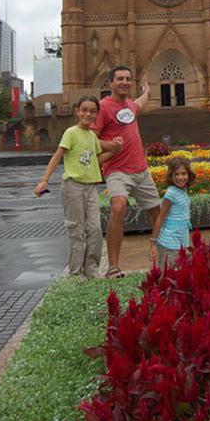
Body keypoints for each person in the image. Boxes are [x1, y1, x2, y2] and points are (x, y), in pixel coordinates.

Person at [34, 95, 114, 279]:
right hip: (73, 187)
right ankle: (76, 273)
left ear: (97, 114)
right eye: (84, 110)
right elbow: (57, 155)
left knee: (94, 229)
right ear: (77, 111)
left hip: (91, 187)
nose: (88, 114)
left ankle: (92, 269)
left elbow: (95, 159)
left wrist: (114, 151)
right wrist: (45, 180)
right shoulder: (71, 132)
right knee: (76, 230)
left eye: (92, 111)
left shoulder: (92, 136)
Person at [93, 65, 161, 279]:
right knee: (118, 207)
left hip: (141, 170)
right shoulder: (103, 107)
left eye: (127, 79)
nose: (124, 82)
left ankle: (168, 256)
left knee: (158, 213)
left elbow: (140, 102)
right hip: (117, 170)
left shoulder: (131, 105)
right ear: (110, 83)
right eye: (120, 78)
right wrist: (110, 145)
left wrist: (147, 92)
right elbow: (90, 139)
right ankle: (113, 267)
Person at [149, 157, 195, 269]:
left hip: (182, 240)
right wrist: (153, 243)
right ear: (171, 176)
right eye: (176, 174)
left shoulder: (183, 190)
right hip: (169, 242)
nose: (180, 178)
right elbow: (160, 217)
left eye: (183, 174)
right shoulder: (171, 193)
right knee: (166, 273)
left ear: (189, 175)